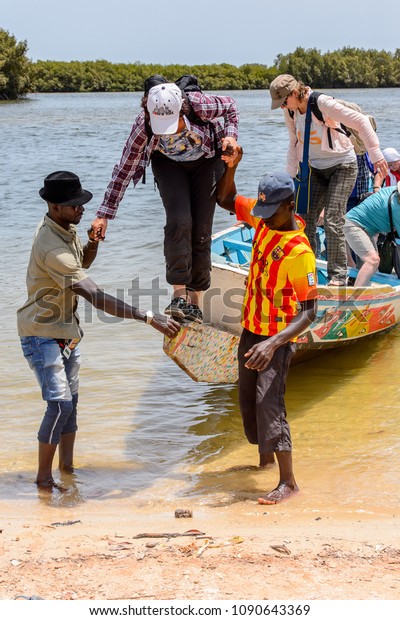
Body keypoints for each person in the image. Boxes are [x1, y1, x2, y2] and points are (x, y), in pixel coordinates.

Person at [17, 171, 180, 490]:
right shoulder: (52, 247)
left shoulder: (64, 228)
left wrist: (92, 242)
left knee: (71, 404)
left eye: (81, 203)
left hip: (66, 330)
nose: (81, 209)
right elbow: (93, 294)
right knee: (59, 404)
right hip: (41, 333)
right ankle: (43, 479)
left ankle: (67, 469)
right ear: (53, 206)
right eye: (74, 204)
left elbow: (83, 264)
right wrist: (147, 316)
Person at [91, 76, 239, 323]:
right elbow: (124, 170)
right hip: (168, 165)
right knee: (179, 220)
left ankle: (195, 303)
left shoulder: (200, 104)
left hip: (206, 162)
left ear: (182, 109)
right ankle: (178, 296)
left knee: (201, 229)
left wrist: (231, 136)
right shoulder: (143, 124)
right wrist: (104, 214)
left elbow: (231, 106)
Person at [216, 151, 318, 504]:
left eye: (270, 212)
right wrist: (232, 169)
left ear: (289, 206)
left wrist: (273, 344)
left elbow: (309, 313)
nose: (262, 218)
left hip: (276, 338)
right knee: (247, 401)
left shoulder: (299, 252)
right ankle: (262, 462)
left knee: (269, 404)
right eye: (260, 211)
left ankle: (288, 482)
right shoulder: (262, 221)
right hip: (251, 331)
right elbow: (225, 198)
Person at [269, 74, 388, 286]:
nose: (282, 107)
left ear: (295, 93)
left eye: (284, 101)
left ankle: (338, 277)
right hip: (315, 168)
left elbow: (360, 121)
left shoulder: (322, 103)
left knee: (333, 218)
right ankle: (307, 272)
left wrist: (376, 154)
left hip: (343, 166)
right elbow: (293, 143)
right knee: (305, 220)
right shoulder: (291, 111)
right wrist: (288, 181)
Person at [344, 181, 400, 286]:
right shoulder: (397, 208)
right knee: (373, 261)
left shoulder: (391, 189)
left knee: (370, 268)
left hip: (362, 228)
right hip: (354, 226)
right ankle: (354, 300)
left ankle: (359, 292)